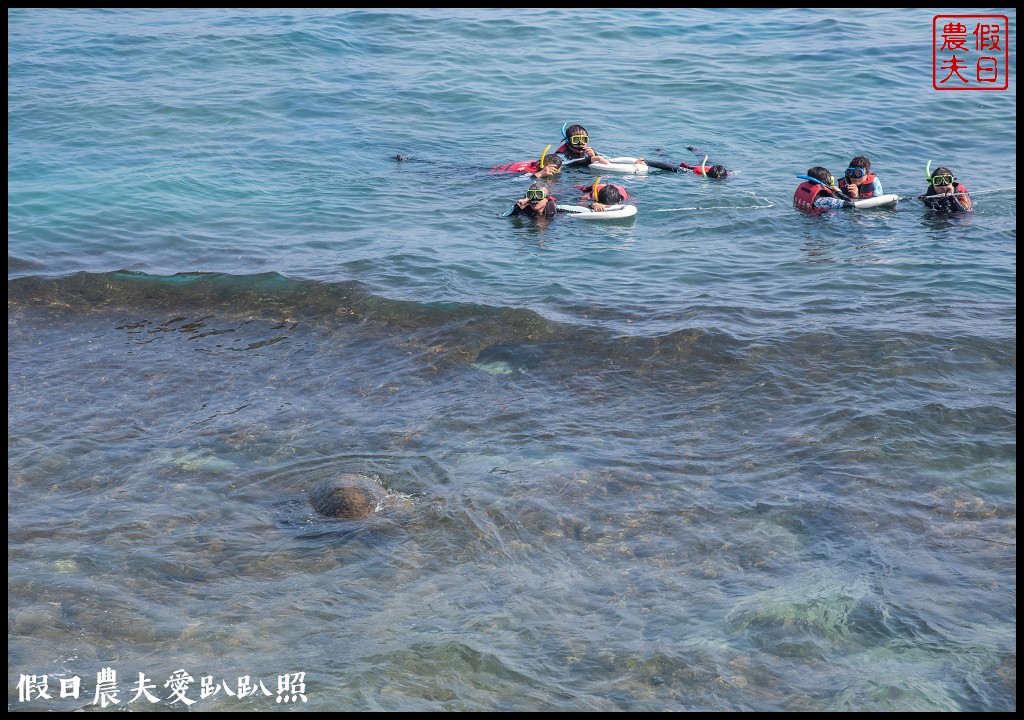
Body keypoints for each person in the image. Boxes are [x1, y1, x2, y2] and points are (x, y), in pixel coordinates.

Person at [490, 150, 563, 179]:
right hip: (494, 175)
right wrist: (539, 174)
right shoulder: (529, 171)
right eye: (552, 170)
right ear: (544, 167)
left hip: (497, 167)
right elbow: (517, 180)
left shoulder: (537, 162)